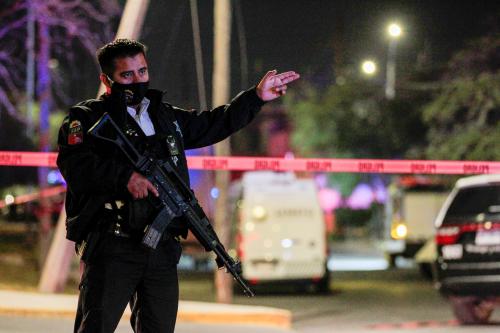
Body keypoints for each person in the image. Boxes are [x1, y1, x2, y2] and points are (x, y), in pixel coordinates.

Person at [56, 38, 299, 333]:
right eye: (127, 75)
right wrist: (125, 179)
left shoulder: (164, 116)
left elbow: (213, 123)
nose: (137, 80)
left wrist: (256, 97)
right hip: (113, 245)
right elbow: (75, 165)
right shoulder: (86, 118)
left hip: (160, 247)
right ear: (106, 80)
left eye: (142, 71)